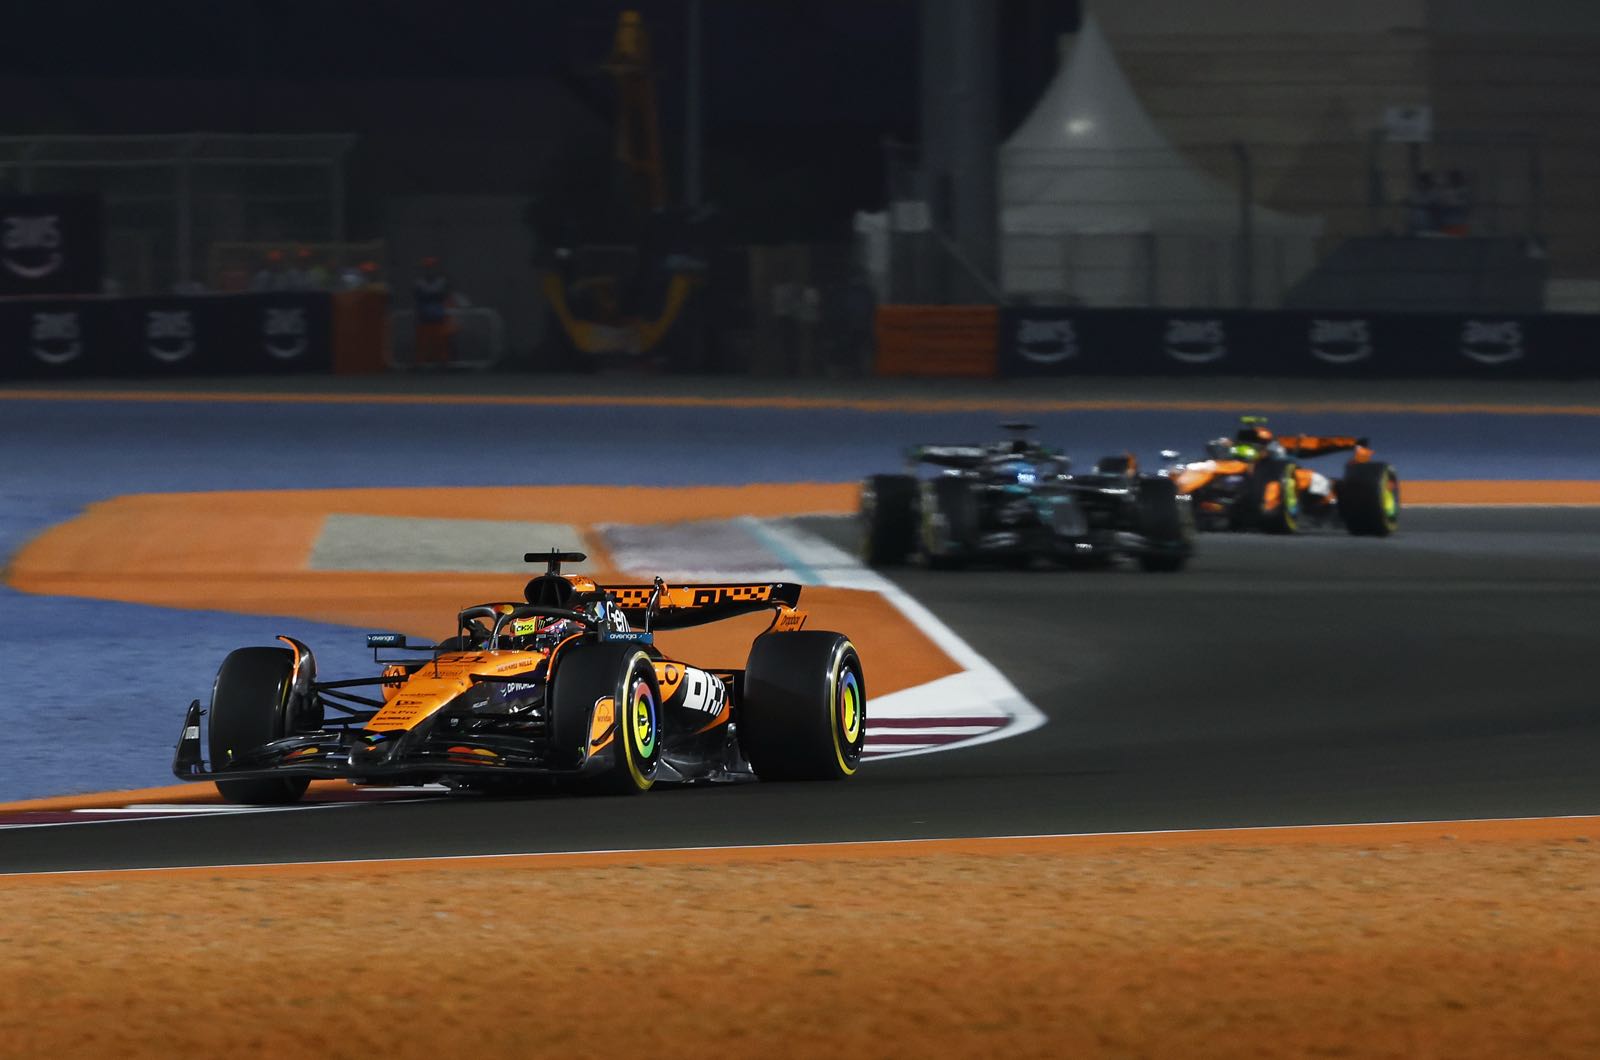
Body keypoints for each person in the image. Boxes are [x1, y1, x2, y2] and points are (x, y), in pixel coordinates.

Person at [413, 256, 456, 367]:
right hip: (424, 317)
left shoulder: (442, 281)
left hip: (440, 317)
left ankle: (443, 360)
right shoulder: (419, 282)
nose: (430, 270)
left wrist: (432, 297)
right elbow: (419, 296)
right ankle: (422, 361)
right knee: (424, 340)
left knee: (442, 340)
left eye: (432, 267)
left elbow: (444, 296)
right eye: (428, 267)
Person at [1437, 169, 1472, 236]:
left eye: (1456, 178)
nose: (1454, 180)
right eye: (1452, 178)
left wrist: (1455, 203)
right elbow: (1441, 204)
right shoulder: (1446, 192)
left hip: (1459, 223)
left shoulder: (1464, 191)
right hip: (1447, 224)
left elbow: (1466, 206)